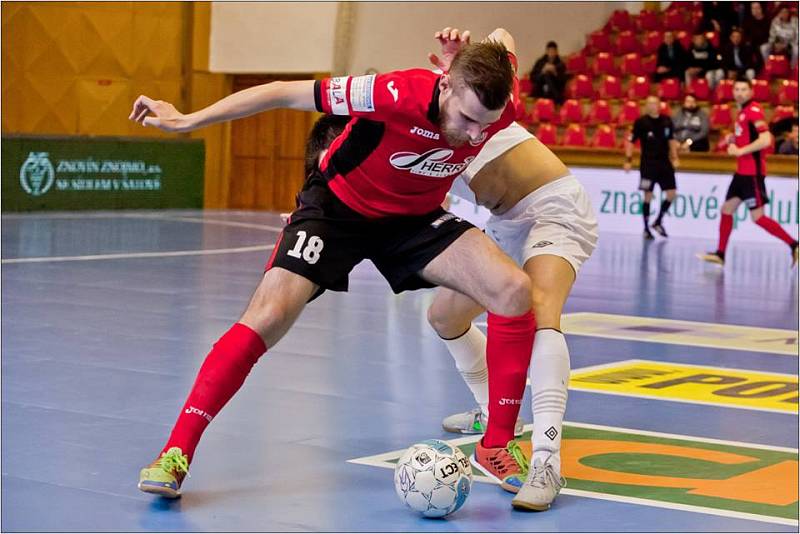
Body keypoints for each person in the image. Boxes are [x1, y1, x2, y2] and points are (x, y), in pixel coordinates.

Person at [131, 27, 537, 498]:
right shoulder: (392, 92)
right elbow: (283, 92)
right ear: (444, 85)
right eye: (468, 119)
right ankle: (174, 454)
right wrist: (186, 120)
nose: (475, 134)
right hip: (338, 209)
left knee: (513, 289)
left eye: (485, 124)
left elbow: (504, 38)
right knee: (269, 316)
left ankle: (497, 445)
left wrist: (467, 58)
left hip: (413, 219)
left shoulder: (499, 106)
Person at [423, 30, 598, 512]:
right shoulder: (420, 140)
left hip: (553, 209)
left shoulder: (475, 93)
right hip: (504, 223)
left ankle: (546, 459)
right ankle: (493, 415)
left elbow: (502, 37)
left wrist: (467, 50)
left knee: (540, 308)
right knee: (444, 317)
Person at [698, 78, 799, 266]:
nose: (739, 93)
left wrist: (740, 151)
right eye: (736, 89)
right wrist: (733, 138)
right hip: (741, 173)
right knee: (726, 210)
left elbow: (766, 138)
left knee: (758, 218)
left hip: (752, 173)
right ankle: (720, 254)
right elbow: (748, 136)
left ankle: (794, 245)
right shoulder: (742, 112)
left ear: (751, 92)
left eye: (744, 89)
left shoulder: (753, 110)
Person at [624, 96, 680, 240]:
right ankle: (645, 228)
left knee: (672, 193)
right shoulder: (641, 122)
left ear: (659, 105)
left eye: (654, 103)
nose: (652, 106)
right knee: (648, 195)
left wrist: (675, 157)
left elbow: (672, 140)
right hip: (648, 165)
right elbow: (631, 141)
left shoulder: (667, 121)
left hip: (664, 163)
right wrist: (628, 160)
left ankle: (658, 221)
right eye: (649, 103)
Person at [530, 41, 567, 105]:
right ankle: (557, 98)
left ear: (556, 52)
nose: (551, 54)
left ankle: (557, 98)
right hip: (541, 89)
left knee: (547, 76)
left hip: (554, 90)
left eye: (553, 51)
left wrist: (555, 73)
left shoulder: (560, 64)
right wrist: (542, 71)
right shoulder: (540, 62)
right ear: (547, 51)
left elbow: (563, 81)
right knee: (545, 75)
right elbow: (532, 78)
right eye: (550, 51)